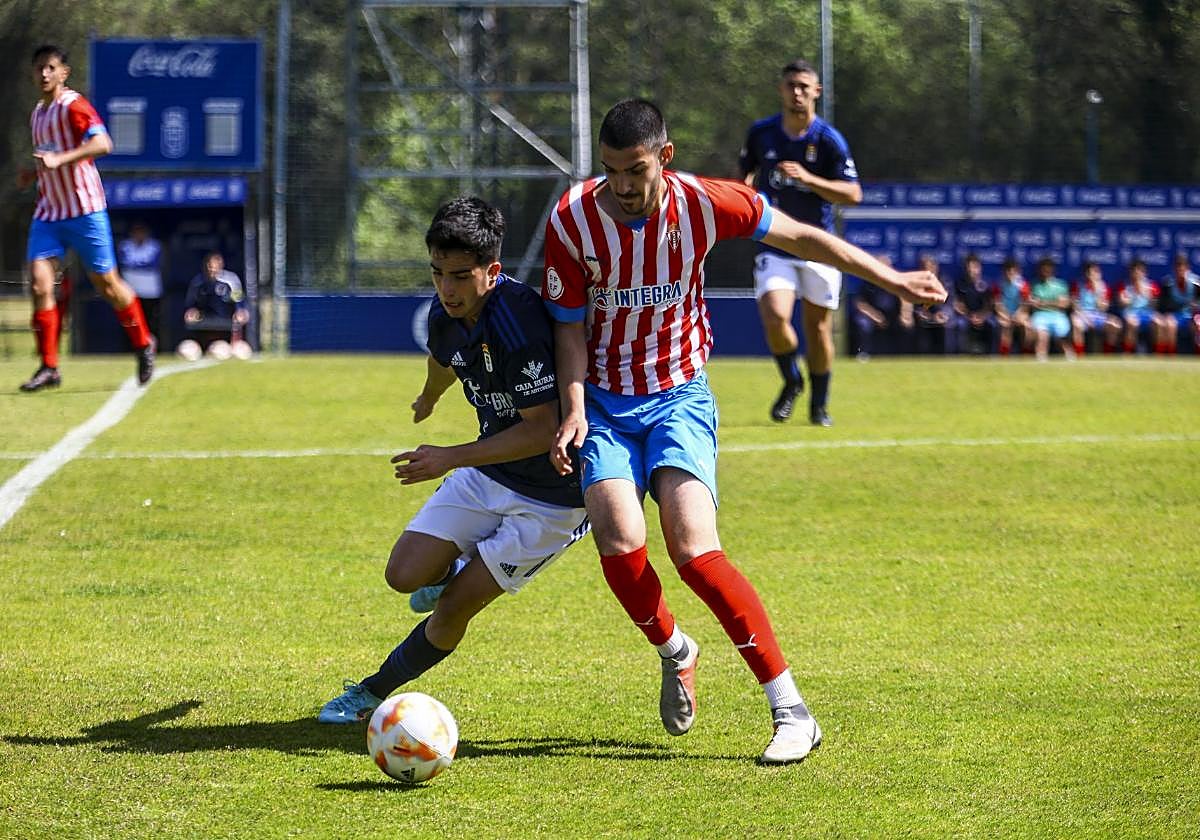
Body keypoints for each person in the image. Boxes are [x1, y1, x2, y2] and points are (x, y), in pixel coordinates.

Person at [542, 98, 945, 764]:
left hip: (678, 395)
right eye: (611, 171)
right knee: (619, 540)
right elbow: (568, 328)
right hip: (606, 404)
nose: (623, 186)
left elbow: (803, 238)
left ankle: (792, 711)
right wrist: (575, 406)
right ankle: (676, 648)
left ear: (664, 157)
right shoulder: (572, 218)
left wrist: (892, 278)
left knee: (694, 549)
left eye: (636, 170)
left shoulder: (705, 202)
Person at [319, 197, 589, 724]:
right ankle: (450, 569)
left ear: (493, 270)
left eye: (461, 276)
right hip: (490, 469)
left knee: (452, 609)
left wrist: (449, 457)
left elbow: (541, 431)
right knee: (403, 575)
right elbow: (443, 360)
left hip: (553, 496)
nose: (447, 288)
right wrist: (429, 397)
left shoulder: (519, 323)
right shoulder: (446, 313)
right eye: (438, 273)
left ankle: (371, 692)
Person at [17, 44, 155, 392]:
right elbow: (49, 158)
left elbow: (103, 144)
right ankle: (49, 366)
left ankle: (143, 343)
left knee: (107, 285)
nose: (44, 74)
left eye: (51, 67)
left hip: (85, 210)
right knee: (40, 284)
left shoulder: (73, 106)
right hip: (49, 212)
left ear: (64, 73)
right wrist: (33, 174)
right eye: (39, 68)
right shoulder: (38, 114)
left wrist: (60, 160)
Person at [738, 59, 862, 426]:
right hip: (775, 241)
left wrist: (809, 179)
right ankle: (792, 380)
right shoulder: (761, 133)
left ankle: (819, 405)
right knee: (775, 315)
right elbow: (744, 175)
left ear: (816, 92)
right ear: (781, 89)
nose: (797, 92)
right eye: (791, 85)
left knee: (818, 329)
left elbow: (853, 193)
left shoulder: (828, 140)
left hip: (819, 246)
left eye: (804, 87)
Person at [178, 252, 251, 361]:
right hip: (205, 320)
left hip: (225, 320)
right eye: (209, 266)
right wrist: (191, 312)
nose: (212, 269)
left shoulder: (230, 280)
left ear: (221, 265)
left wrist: (240, 311)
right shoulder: (198, 282)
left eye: (214, 266)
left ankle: (230, 347)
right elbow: (191, 304)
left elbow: (239, 300)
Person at [116, 221, 164, 343]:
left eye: (142, 232)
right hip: (130, 291)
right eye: (136, 232)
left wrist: (136, 264)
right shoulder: (124, 246)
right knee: (130, 321)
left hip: (150, 291)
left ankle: (152, 346)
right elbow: (124, 262)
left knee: (151, 322)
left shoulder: (154, 246)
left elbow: (152, 263)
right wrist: (140, 264)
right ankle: (131, 347)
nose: (139, 234)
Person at [1028, 257, 1075, 361]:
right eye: (1043, 269)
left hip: (1058, 315)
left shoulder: (1061, 285)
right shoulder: (1034, 285)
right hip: (1040, 315)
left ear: (1052, 269)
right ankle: (1041, 360)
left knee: (1062, 339)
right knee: (1042, 337)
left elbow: (1063, 304)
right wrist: (1054, 303)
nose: (1045, 271)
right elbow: (1034, 304)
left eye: (1048, 269)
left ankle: (1070, 360)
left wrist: (1043, 303)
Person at [1070, 261, 1121, 354]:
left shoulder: (1104, 287)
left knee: (1115, 325)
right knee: (1076, 324)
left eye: (1096, 272)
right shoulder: (1078, 285)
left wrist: (1097, 291)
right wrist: (1086, 319)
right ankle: (1079, 354)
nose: (1092, 275)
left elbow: (1103, 308)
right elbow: (1075, 307)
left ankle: (1108, 354)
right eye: (1090, 272)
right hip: (1082, 315)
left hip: (1098, 315)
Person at [1152, 253, 1197, 354]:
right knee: (1169, 323)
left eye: (1183, 267)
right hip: (1174, 315)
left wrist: (1196, 307)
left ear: (1187, 268)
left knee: (1198, 323)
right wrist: (1167, 313)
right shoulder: (1167, 284)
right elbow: (1162, 305)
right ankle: (1171, 353)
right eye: (1178, 267)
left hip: (1191, 316)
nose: (1180, 270)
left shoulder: (1196, 284)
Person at [952, 253, 995, 355]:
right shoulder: (959, 284)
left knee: (993, 324)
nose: (971, 270)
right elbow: (957, 304)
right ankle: (961, 355)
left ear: (979, 268)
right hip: (965, 316)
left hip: (983, 316)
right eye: (969, 267)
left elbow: (990, 305)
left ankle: (991, 355)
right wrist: (968, 316)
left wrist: (982, 317)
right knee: (959, 324)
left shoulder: (986, 284)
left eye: (974, 267)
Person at [1118, 259, 1157, 354]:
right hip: (1130, 312)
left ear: (1144, 272)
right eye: (1135, 271)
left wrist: (1146, 293)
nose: (1137, 273)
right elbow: (1122, 303)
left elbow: (1155, 304)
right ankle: (1128, 353)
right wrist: (1134, 294)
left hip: (1147, 313)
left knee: (1158, 322)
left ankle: (1158, 354)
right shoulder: (1124, 285)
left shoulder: (1151, 286)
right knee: (1132, 323)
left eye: (1140, 271)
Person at [995, 257, 1032, 356]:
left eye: (1013, 271)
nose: (1010, 274)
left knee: (1027, 326)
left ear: (1017, 271)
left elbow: (1026, 304)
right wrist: (1005, 315)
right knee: (1005, 325)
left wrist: (1017, 315)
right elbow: (997, 304)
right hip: (1005, 314)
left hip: (1019, 314)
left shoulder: (1023, 285)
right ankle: (1004, 355)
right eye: (1008, 271)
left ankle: (1026, 354)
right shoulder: (999, 285)